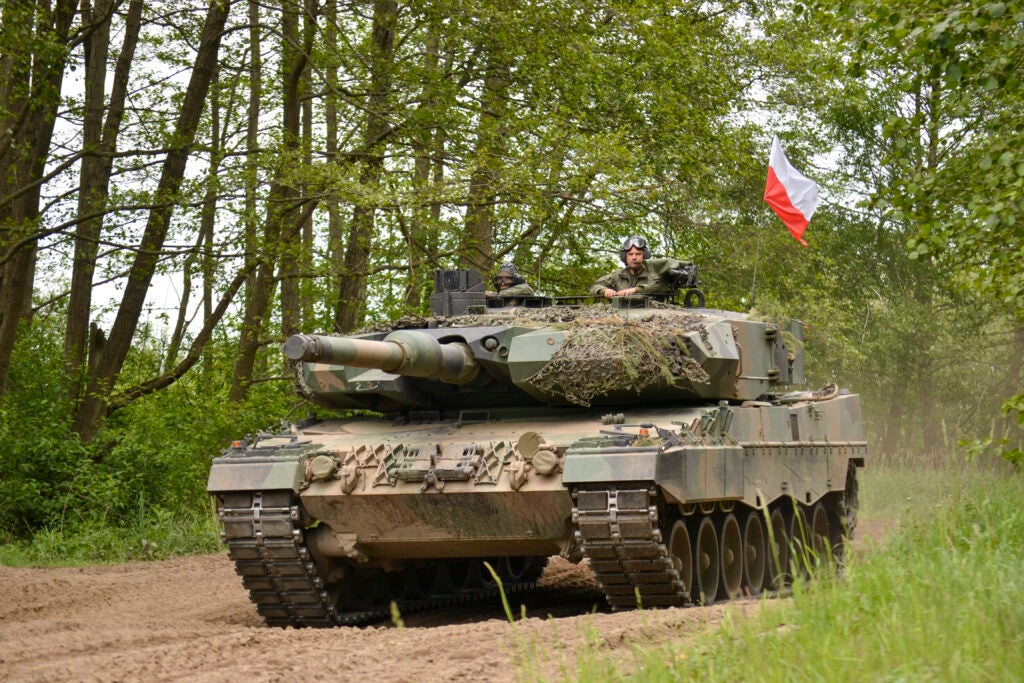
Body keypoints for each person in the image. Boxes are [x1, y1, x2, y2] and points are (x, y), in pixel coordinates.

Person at [590, 236, 695, 299]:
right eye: (630, 254)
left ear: (644, 255)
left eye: (638, 254)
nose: (634, 258)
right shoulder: (618, 275)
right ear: (624, 257)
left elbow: (659, 286)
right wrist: (604, 291)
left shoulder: (655, 269)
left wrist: (636, 290)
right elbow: (595, 286)